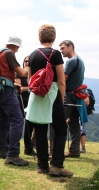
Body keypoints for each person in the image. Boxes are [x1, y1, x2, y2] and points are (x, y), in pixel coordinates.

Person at [26, 24, 73, 177]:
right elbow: (61, 80)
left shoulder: (32, 55)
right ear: (53, 38)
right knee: (60, 130)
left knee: (40, 129)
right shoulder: (56, 54)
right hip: (52, 94)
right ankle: (57, 166)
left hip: (37, 95)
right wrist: (62, 96)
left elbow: (30, 79)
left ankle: (42, 165)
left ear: (39, 37)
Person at [0, 36, 29, 167]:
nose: (18, 50)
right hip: (7, 90)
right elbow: (20, 72)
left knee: (2, 120)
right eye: (18, 47)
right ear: (14, 45)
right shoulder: (9, 53)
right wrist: (27, 70)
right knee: (18, 119)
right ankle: (13, 154)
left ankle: (1, 149)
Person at [59, 40, 88, 158]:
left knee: (59, 121)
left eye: (63, 48)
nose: (61, 51)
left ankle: (55, 150)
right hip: (78, 96)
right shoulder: (80, 60)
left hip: (70, 96)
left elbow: (64, 78)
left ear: (70, 47)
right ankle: (75, 150)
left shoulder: (71, 61)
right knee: (74, 123)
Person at [15, 56, 36, 156]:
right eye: (25, 61)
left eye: (29, 61)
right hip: (20, 100)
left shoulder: (33, 74)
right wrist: (30, 87)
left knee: (29, 125)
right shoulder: (18, 73)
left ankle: (28, 148)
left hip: (31, 101)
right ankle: (12, 144)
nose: (27, 63)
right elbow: (19, 88)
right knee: (18, 122)